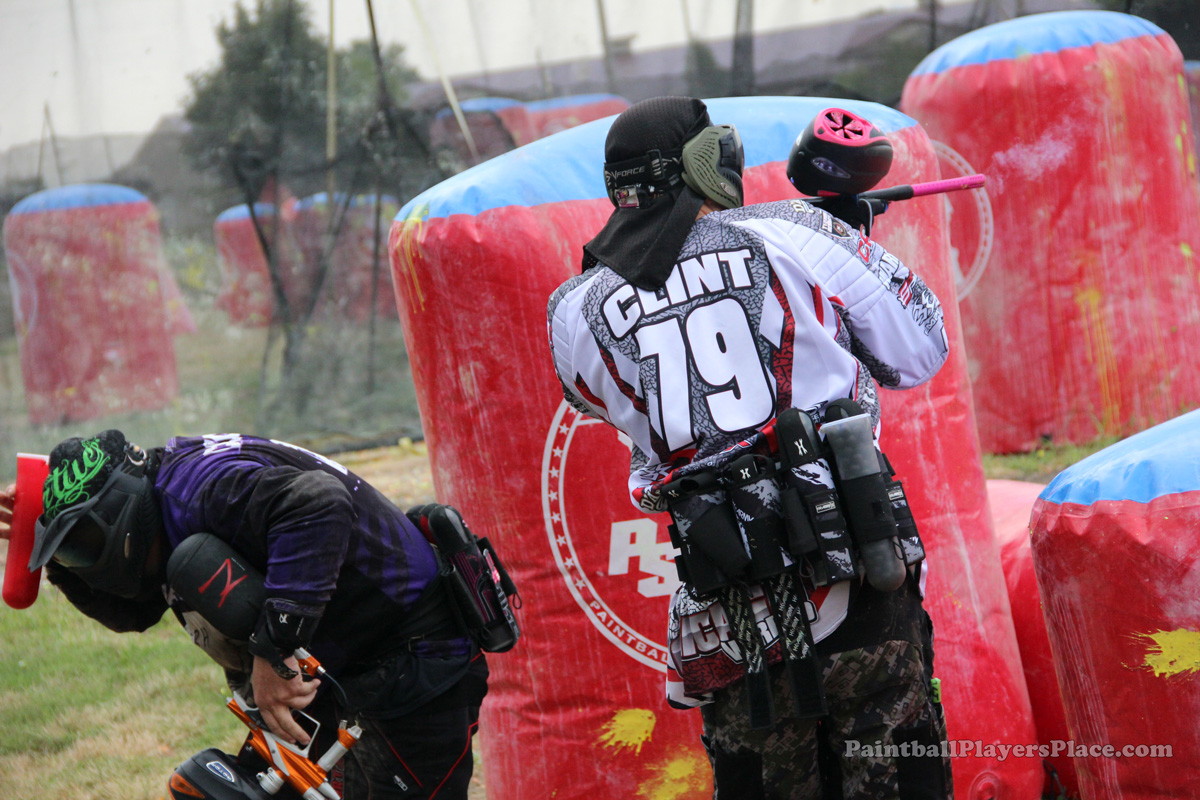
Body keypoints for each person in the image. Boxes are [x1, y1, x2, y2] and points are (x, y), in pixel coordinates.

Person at [546, 96, 953, 798]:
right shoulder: (793, 229)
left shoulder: (571, 309)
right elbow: (920, 349)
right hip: (854, 568)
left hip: (726, 596)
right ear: (706, 163)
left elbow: (594, 401)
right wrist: (852, 243)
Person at [0, 430, 487, 799]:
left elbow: (319, 504)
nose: (85, 563)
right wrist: (53, 561)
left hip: (413, 657)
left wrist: (273, 654)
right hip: (345, 668)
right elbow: (135, 611)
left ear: (120, 508)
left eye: (83, 544)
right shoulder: (161, 507)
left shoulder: (201, 489)